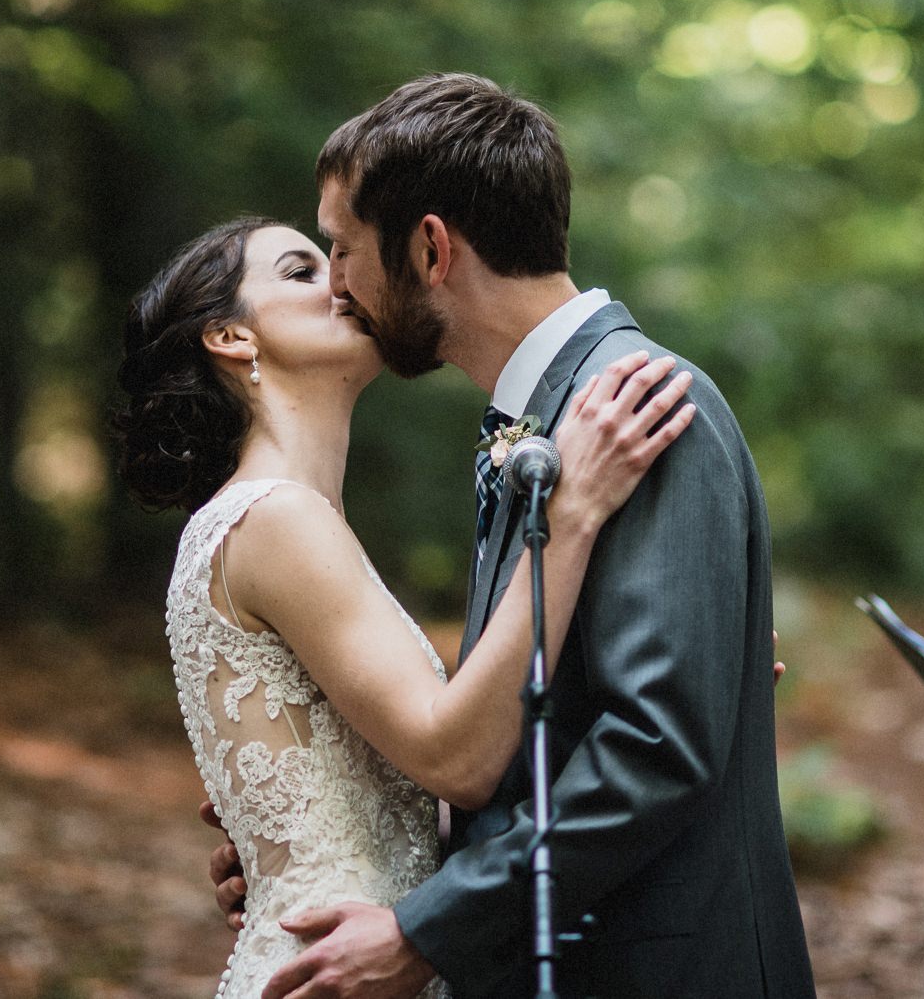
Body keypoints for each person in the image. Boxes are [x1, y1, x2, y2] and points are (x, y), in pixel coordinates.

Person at [206, 74, 816, 999]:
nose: (337, 283)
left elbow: (656, 748)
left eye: (341, 247)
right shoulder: (544, 421)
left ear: (430, 247)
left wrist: (427, 929)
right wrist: (327, 841)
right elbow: (540, 728)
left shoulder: (635, 406)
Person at [114, 216, 696, 998]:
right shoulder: (277, 518)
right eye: (300, 270)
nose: (342, 281)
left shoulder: (281, 518)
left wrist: (671, 666)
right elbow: (457, 757)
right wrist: (572, 513)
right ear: (231, 337)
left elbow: (423, 775)